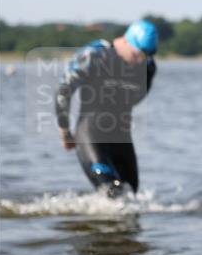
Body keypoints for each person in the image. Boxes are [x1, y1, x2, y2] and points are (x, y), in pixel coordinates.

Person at [55, 20, 158, 196]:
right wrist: (65, 131)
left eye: (145, 56)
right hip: (90, 134)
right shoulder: (95, 55)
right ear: (125, 41)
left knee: (131, 195)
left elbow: (136, 98)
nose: (140, 60)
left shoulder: (148, 66)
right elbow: (64, 90)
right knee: (112, 190)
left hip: (121, 137)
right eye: (137, 54)